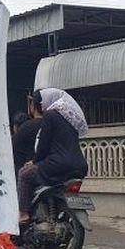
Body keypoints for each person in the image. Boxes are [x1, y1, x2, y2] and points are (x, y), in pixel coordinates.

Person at [16, 88, 89, 224]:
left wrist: (35, 161)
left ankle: (23, 214)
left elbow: (44, 143)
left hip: (58, 165)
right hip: (79, 165)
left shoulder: (50, 115)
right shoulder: (69, 118)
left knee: (24, 174)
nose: (41, 105)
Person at [11, 96, 44, 173]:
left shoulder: (26, 127)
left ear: (33, 107)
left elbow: (13, 146)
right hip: (47, 169)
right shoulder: (52, 124)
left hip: (26, 171)